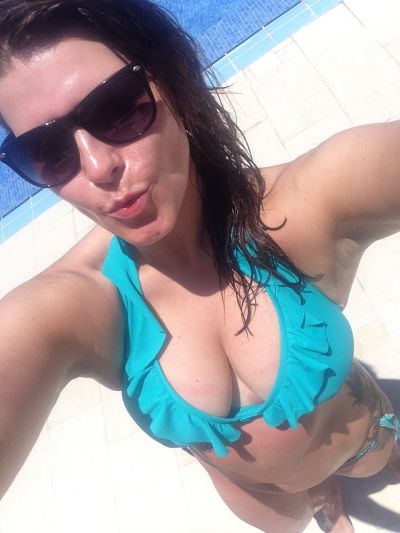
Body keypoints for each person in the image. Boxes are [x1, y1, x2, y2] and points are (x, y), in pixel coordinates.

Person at [0, 0, 399, 531]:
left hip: (358, 442)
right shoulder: (82, 304)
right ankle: (324, 498)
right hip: (269, 505)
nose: (97, 168)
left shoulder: (294, 216)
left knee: (382, 459)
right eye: (47, 150)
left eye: (116, 108)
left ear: (174, 82)